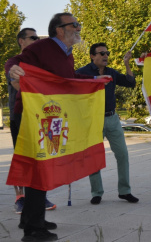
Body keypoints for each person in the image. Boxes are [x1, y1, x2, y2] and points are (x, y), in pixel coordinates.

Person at [6, 12, 103, 242]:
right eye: (75, 25)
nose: (79, 28)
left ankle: (30, 218)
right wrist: (12, 71)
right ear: (60, 29)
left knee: (41, 168)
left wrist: (92, 81)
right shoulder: (45, 46)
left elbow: (66, 79)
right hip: (32, 116)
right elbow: (14, 61)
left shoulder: (66, 54)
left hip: (51, 117)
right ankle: (34, 230)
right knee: (39, 168)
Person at [76, 43, 139, 205]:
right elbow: (71, 86)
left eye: (107, 53)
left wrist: (126, 63)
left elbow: (131, 83)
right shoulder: (82, 72)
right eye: (102, 53)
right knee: (93, 156)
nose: (106, 56)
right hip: (93, 119)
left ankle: (125, 191)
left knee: (123, 154)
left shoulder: (111, 72)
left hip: (112, 118)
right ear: (92, 56)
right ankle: (96, 192)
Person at [5, 28, 57, 216]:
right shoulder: (14, 62)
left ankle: (38, 195)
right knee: (22, 157)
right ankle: (20, 198)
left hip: (38, 117)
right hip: (19, 117)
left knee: (39, 156)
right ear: (21, 41)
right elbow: (14, 80)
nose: (37, 40)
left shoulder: (41, 64)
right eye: (33, 37)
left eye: (38, 38)